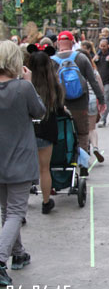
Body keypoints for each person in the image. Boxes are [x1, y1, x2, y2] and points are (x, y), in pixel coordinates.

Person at [0, 40, 46, 286]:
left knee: (7, 212)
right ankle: (0, 259)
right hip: (19, 158)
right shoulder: (22, 88)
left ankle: (18, 254)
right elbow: (39, 112)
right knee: (16, 211)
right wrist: (29, 84)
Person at [52, 31, 106, 176]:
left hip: (61, 104)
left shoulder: (52, 60)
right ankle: (83, 165)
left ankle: (64, 162)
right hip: (80, 103)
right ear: (72, 42)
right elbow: (93, 81)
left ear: (58, 43)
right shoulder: (81, 58)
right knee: (82, 133)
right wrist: (101, 100)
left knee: (62, 132)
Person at [28, 44, 66, 214]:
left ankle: (20, 206)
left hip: (26, 130)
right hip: (46, 130)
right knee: (45, 169)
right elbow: (59, 109)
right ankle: (45, 202)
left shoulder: (24, 85)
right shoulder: (54, 87)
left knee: (25, 169)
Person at [78, 42, 105, 163]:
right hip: (93, 100)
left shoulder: (75, 71)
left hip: (79, 101)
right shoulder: (94, 71)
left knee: (80, 130)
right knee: (92, 128)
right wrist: (102, 101)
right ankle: (95, 147)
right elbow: (101, 88)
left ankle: (83, 153)